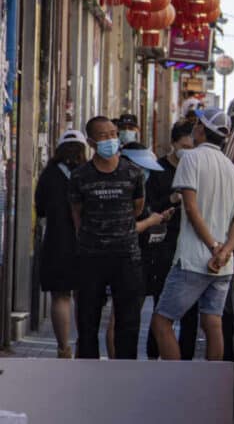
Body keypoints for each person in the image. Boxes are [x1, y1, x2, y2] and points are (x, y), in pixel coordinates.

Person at [151, 108, 234, 361]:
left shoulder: (191, 160)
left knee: (162, 322)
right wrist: (225, 251)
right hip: (223, 265)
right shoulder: (233, 169)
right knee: (212, 323)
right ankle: (211, 380)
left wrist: (213, 246)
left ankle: (177, 380)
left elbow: (191, 209)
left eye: (197, 125)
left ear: (202, 130)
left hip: (193, 259)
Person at [70, 116, 146, 360]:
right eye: (103, 136)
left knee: (128, 322)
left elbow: (137, 208)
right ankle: (88, 371)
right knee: (87, 321)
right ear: (91, 142)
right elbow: (77, 214)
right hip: (91, 256)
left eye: (113, 134)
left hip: (126, 256)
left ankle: (125, 372)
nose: (111, 139)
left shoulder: (133, 172)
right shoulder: (80, 176)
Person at [142, 122, 199, 360]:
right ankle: (154, 353)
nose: (187, 151)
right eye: (184, 146)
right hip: (164, 241)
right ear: (173, 144)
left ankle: (186, 358)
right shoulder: (158, 170)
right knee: (162, 300)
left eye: (192, 146)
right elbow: (149, 205)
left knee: (191, 307)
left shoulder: (197, 168)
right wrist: (172, 199)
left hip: (191, 241)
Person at [35, 129, 89, 358]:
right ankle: (84, 345)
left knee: (60, 296)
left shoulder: (49, 174)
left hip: (57, 241)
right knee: (84, 296)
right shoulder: (88, 173)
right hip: (87, 241)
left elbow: (40, 208)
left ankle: (63, 348)